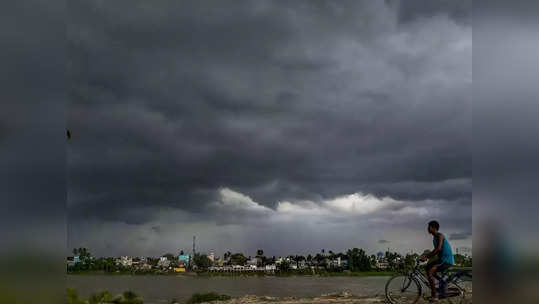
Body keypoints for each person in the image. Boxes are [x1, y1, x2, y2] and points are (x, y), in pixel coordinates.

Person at [420, 220, 455, 302]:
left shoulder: (440, 235)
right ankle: (443, 283)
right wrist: (428, 257)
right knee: (427, 268)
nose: (427, 229)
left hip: (446, 260)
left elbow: (438, 249)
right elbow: (436, 251)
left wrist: (427, 257)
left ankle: (434, 296)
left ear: (433, 228)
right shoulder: (434, 238)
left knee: (429, 273)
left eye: (429, 227)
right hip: (441, 259)